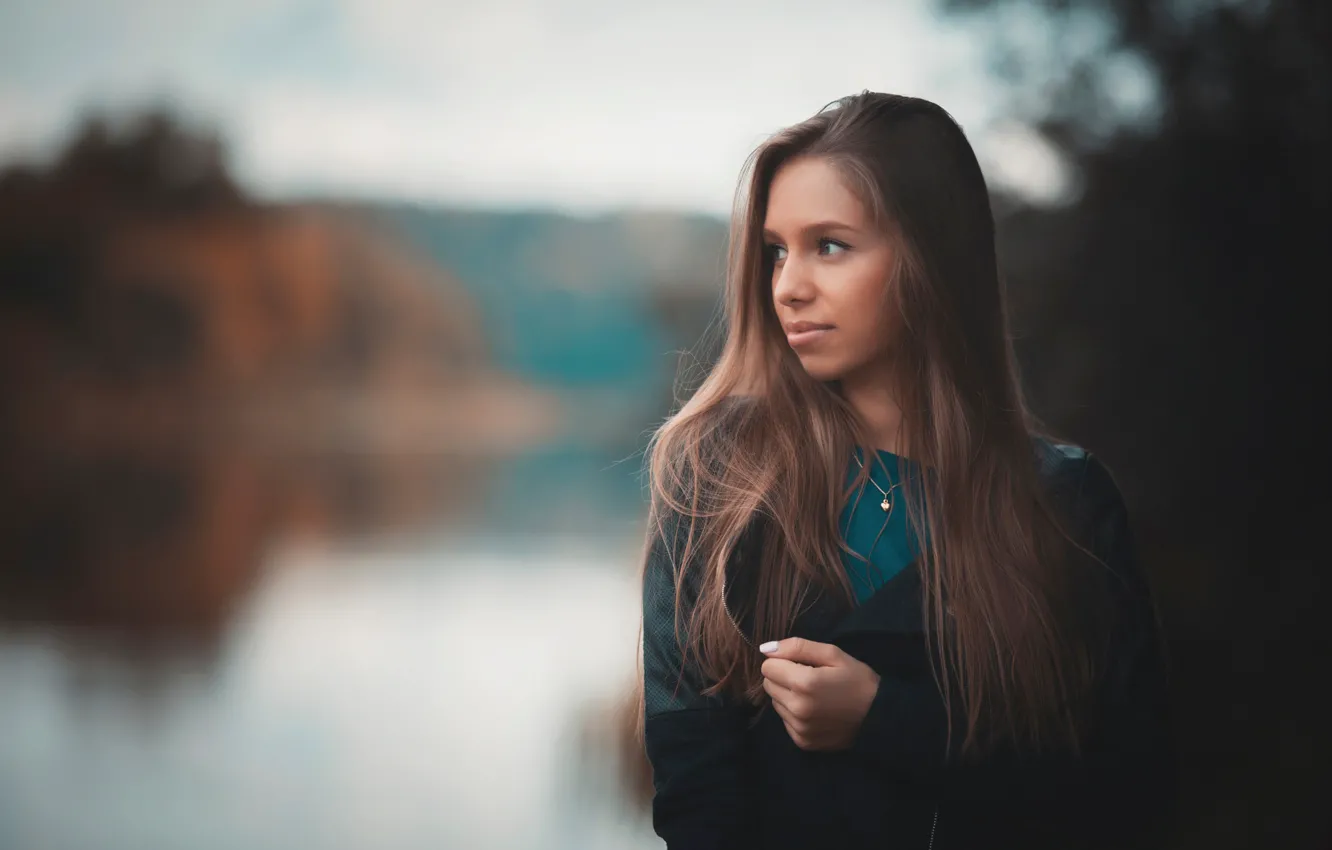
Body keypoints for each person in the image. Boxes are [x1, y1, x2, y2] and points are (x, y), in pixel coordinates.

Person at [634, 91, 1177, 850]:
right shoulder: (716, 479)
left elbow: (1125, 789)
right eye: (776, 250)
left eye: (830, 245)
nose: (788, 284)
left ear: (933, 257)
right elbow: (695, 789)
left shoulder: (1064, 502)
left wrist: (884, 718)